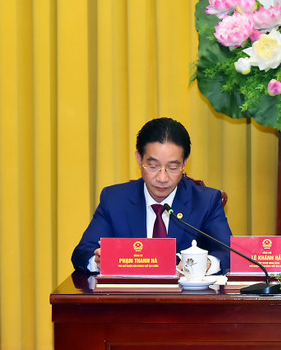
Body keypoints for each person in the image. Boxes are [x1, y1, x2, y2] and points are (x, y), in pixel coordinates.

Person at [71, 117, 232, 273]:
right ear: (139, 159)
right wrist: (98, 261)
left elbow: (228, 253)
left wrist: (207, 263)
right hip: (129, 298)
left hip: (185, 298)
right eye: (153, 166)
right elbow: (83, 252)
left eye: (173, 167)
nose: (162, 178)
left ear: (185, 163)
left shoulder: (205, 201)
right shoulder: (114, 200)